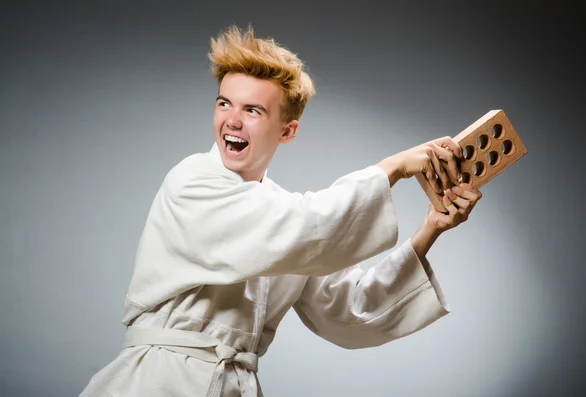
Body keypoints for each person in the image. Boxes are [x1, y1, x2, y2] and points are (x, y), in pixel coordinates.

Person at [80, 24, 482, 397]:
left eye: (252, 111)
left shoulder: (287, 220)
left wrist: (430, 229)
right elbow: (306, 225)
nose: (232, 122)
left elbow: (349, 308)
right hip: (157, 383)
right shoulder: (192, 182)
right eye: (224, 104)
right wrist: (391, 168)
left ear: (287, 130)